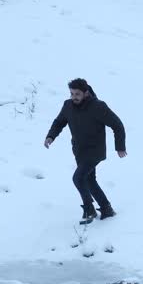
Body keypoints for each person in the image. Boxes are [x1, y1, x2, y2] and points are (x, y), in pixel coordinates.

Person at [44, 78, 127, 224]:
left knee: (78, 178)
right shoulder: (68, 105)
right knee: (89, 180)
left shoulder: (98, 107)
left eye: (77, 94)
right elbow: (59, 122)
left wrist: (120, 147)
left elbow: (117, 125)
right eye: (71, 93)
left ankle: (89, 210)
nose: (73, 97)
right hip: (79, 150)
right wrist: (51, 136)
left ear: (86, 93)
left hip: (95, 150)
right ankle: (107, 209)